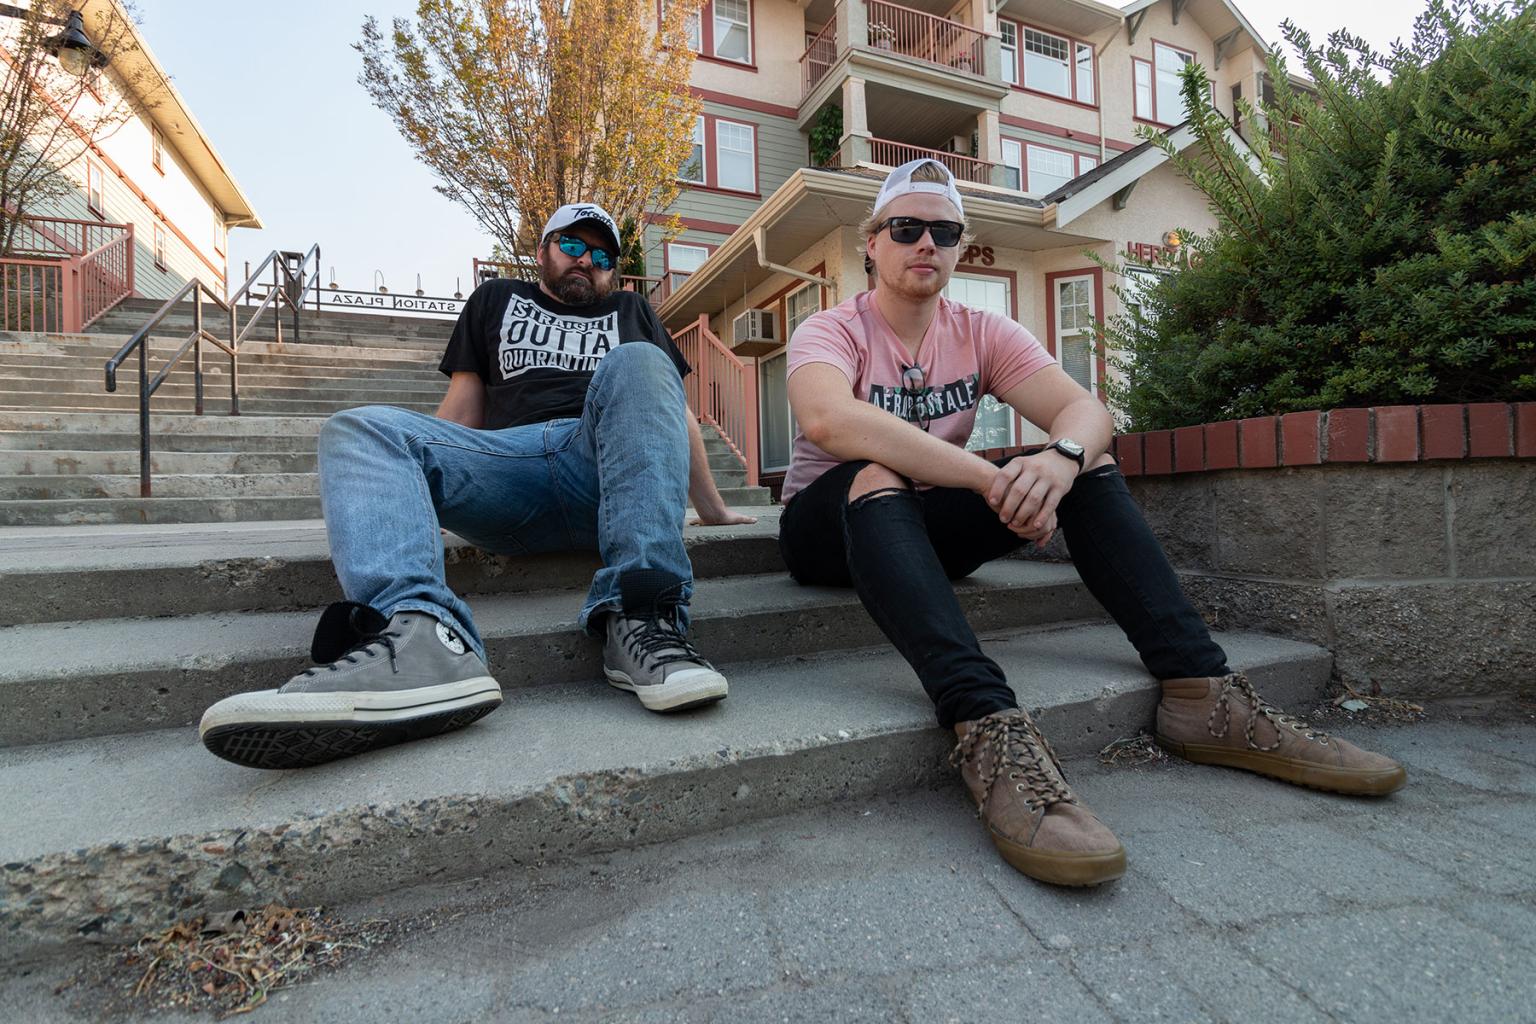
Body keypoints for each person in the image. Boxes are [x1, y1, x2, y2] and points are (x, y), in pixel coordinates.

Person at [778, 160, 1405, 888]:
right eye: (906, 228)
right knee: (878, 471)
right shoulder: (833, 327)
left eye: (943, 230)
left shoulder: (980, 330)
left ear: (959, 246)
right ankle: (987, 726)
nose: (925, 242)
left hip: (921, 531)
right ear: (872, 245)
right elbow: (828, 418)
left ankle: (1201, 692)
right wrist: (992, 476)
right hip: (827, 530)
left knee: (1086, 465)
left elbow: (1089, 413)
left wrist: (1061, 461)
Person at [200, 203, 755, 770]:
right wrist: (415, 493)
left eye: (603, 256)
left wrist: (710, 507)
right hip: (505, 464)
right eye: (573, 246)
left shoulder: (632, 309)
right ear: (541, 249)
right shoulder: (495, 300)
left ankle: (641, 617)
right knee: (359, 427)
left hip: (602, 463)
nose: (587, 262)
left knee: (642, 361)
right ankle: (419, 640)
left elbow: (673, 414)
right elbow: (461, 413)